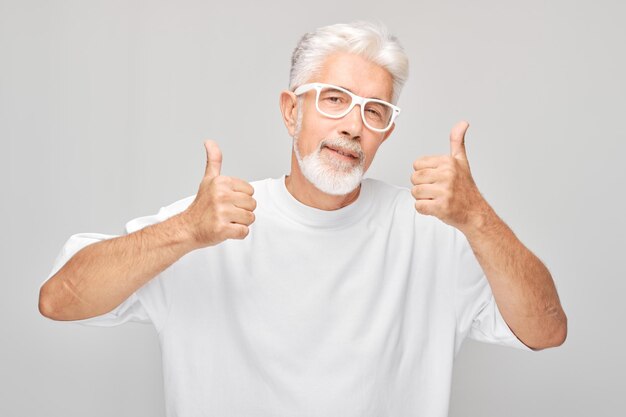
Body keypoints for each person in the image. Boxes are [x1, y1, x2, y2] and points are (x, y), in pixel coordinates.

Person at [39, 21, 567, 417]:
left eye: (373, 111)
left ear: (385, 132)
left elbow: (547, 330)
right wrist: (183, 232)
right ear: (292, 111)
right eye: (334, 100)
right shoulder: (206, 224)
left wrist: (477, 218)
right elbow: (58, 300)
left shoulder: (434, 233)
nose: (353, 126)